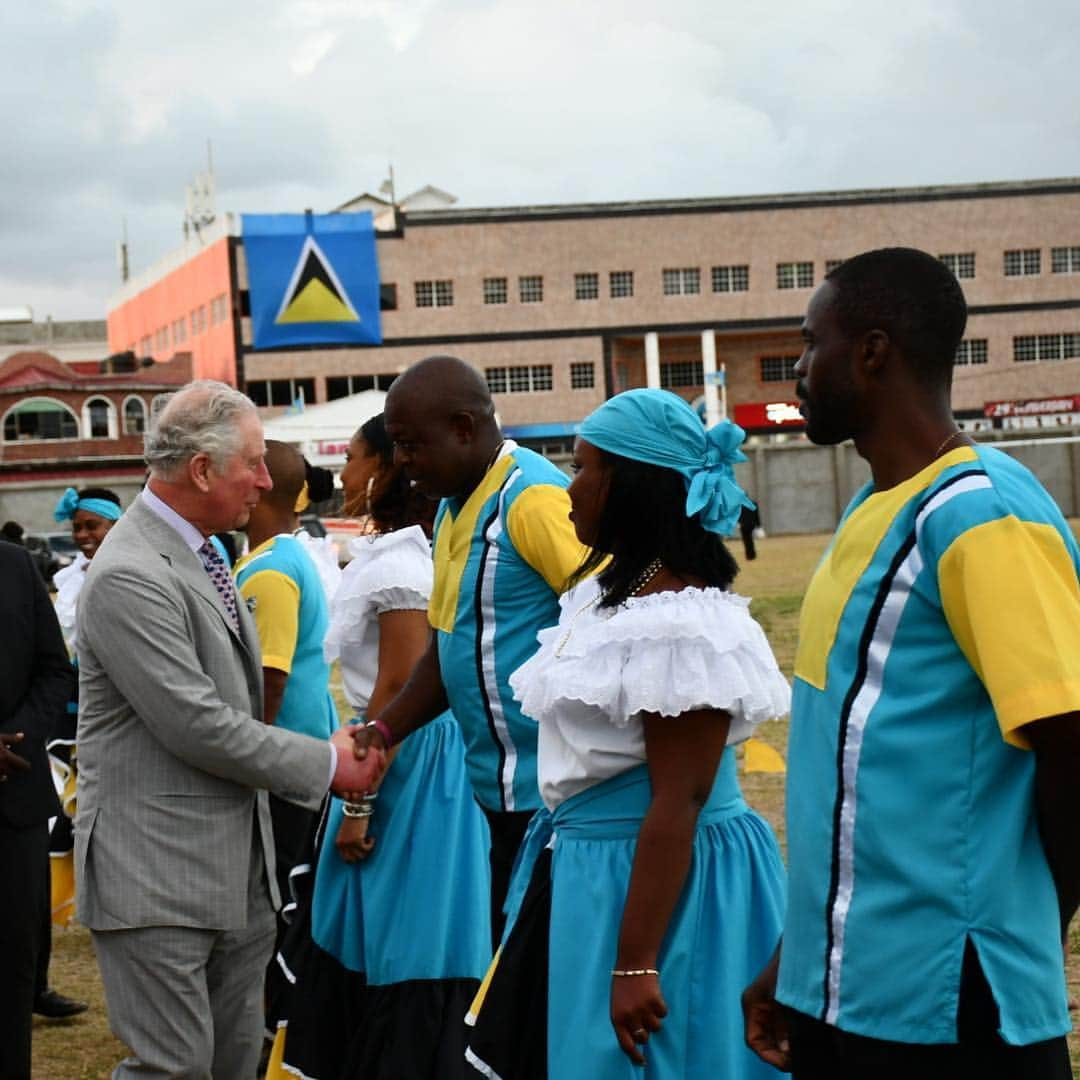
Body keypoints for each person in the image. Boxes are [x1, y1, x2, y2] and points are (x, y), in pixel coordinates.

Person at [742, 248, 1080, 1079]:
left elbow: (1074, 745)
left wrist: (1020, 924)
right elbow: (855, 780)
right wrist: (800, 955)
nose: (798, 367)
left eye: (809, 341)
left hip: (954, 1004)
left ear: (872, 351)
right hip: (846, 991)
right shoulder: (872, 507)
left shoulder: (981, 512)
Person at [466, 389, 790, 1079]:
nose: (568, 486)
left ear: (633, 486)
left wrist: (637, 959)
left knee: (663, 1057)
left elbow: (679, 800)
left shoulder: (681, 619)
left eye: (583, 468)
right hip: (592, 867)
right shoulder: (612, 592)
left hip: (656, 881)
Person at [74, 380, 381, 1079]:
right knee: (174, 1069)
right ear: (204, 469)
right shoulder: (129, 573)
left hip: (233, 875)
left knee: (234, 1063)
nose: (268, 481)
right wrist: (325, 763)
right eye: (254, 462)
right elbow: (198, 725)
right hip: (157, 879)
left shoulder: (204, 552)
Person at [267, 413, 491, 1079]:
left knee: (409, 939)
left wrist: (359, 802)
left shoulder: (401, 562)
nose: (345, 474)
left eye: (358, 459)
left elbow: (399, 680)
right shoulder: (402, 549)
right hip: (392, 749)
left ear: (391, 467)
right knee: (374, 931)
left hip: (403, 759)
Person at [350, 355, 587, 940]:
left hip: (552, 797)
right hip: (496, 796)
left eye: (410, 445)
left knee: (537, 972)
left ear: (463, 428)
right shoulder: (455, 507)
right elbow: (449, 651)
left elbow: (603, 623)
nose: (401, 463)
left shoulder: (532, 499)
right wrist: (382, 732)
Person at [233, 441, 338, 910]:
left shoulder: (272, 570)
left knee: (280, 902)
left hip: (283, 763)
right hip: (293, 755)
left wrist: (241, 757)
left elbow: (268, 679)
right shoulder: (274, 558)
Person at [31, 486, 122, 1021]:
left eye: (95, 526)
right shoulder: (69, 581)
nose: (85, 537)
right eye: (80, 528)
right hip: (71, 714)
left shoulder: (135, 570)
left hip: (106, 713)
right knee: (68, 820)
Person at [0, 537, 75, 1079]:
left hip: (13, 800)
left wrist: (16, 741)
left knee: (12, 970)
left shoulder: (16, 566)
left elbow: (54, 669)